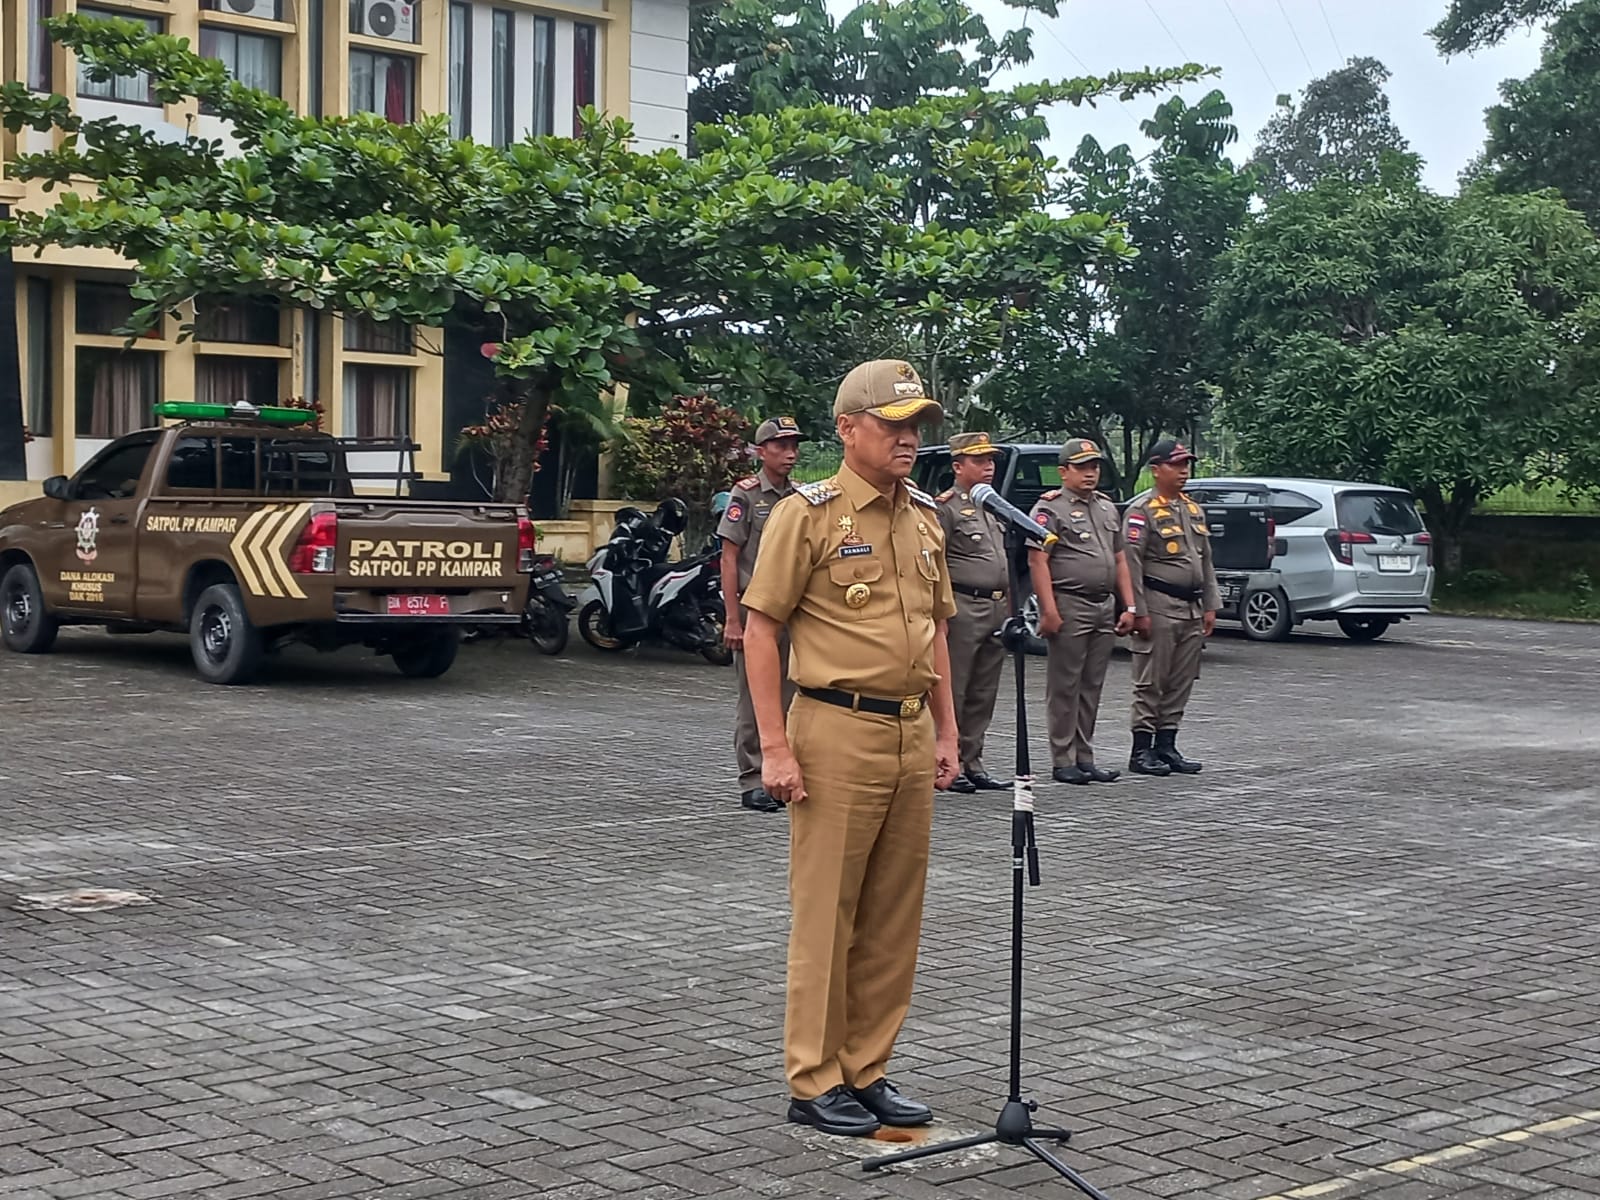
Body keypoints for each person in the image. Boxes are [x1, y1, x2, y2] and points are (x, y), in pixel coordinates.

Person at [741, 359, 959, 1138]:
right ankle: (813, 1078)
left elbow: (934, 630)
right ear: (848, 428)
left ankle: (867, 1068)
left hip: (909, 729)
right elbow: (762, 630)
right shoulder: (808, 515)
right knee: (827, 913)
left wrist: (949, 730)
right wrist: (774, 747)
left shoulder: (924, 515)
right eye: (893, 424)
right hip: (833, 728)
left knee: (895, 914)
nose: (907, 440)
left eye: (914, 427)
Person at [1027, 438, 1136, 785]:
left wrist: (1129, 604)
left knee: (1092, 684)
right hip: (1070, 602)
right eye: (1082, 467)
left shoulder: (1106, 507)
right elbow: (1037, 560)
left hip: (1103, 604)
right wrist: (1048, 609)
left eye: (1095, 466)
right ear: (1064, 472)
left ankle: (1084, 755)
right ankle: (1062, 758)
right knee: (1065, 684)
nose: (1091, 473)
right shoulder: (1050, 510)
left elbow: (1120, 559)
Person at [719, 416, 804, 813]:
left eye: (794, 446)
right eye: (780, 446)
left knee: (794, 695)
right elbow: (729, 558)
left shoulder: (801, 497)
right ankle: (753, 778)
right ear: (760, 451)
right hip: (756, 613)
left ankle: (787, 772)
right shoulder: (747, 496)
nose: (790, 453)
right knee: (756, 699)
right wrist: (733, 618)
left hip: (795, 613)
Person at [1121, 439, 1219, 776]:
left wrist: (1210, 604)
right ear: (1156, 469)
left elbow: (1205, 561)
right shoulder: (1142, 511)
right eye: (1176, 465)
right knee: (1151, 680)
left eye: (1186, 465)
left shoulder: (1192, 509)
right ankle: (1141, 751)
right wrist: (1138, 609)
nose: (1184, 471)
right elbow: (1131, 564)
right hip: (1159, 603)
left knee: (1181, 680)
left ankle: (1167, 744)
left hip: (1191, 606)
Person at [934, 433, 1011, 794]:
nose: (989, 466)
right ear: (958, 466)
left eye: (991, 460)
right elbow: (935, 563)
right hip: (963, 606)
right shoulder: (945, 507)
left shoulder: (991, 504)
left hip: (995, 606)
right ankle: (950, 761)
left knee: (984, 689)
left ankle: (974, 759)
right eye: (979, 461)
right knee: (957, 688)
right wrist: (941, 613)